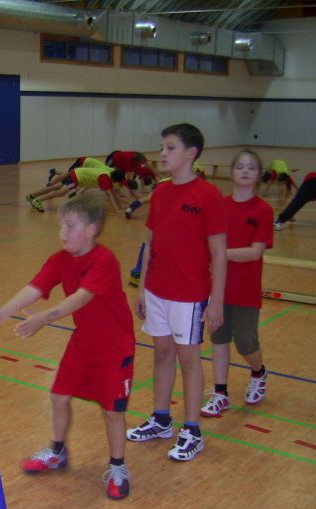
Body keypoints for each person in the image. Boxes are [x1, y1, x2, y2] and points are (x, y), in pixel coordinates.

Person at [0, 196, 135, 500]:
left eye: (70, 226)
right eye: (60, 225)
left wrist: (44, 318)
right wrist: (0, 314)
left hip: (114, 347)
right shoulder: (60, 259)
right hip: (83, 342)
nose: (62, 232)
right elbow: (34, 288)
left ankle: (118, 467)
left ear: (91, 230)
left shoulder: (104, 261)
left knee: (112, 412)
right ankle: (57, 452)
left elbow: (81, 297)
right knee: (58, 396)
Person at [126, 123, 227, 461]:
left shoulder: (208, 196)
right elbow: (151, 242)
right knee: (162, 354)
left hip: (190, 296)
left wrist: (216, 301)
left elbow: (218, 253)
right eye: (162, 147)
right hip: (157, 291)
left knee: (188, 360)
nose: (162, 154)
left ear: (191, 153)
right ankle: (161, 419)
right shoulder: (161, 193)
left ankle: (192, 430)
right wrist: (142, 288)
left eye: (170, 148)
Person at [202, 150, 273, 417]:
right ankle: (220, 393)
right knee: (218, 338)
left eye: (251, 167)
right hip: (218, 287)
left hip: (245, 288)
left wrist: (220, 254)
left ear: (258, 175)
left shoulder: (263, 210)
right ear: (232, 172)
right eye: (240, 166)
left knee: (245, 342)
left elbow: (254, 252)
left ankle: (259, 372)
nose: (244, 170)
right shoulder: (219, 206)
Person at [25, 166, 130, 212]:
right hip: (77, 177)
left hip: (77, 174)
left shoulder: (108, 175)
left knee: (55, 187)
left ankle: (32, 195)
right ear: (116, 179)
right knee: (60, 193)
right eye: (120, 182)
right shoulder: (105, 178)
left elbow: (113, 193)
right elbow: (111, 195)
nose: (120, 185)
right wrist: (117, 209)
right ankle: (38, 201)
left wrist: (121, 206)